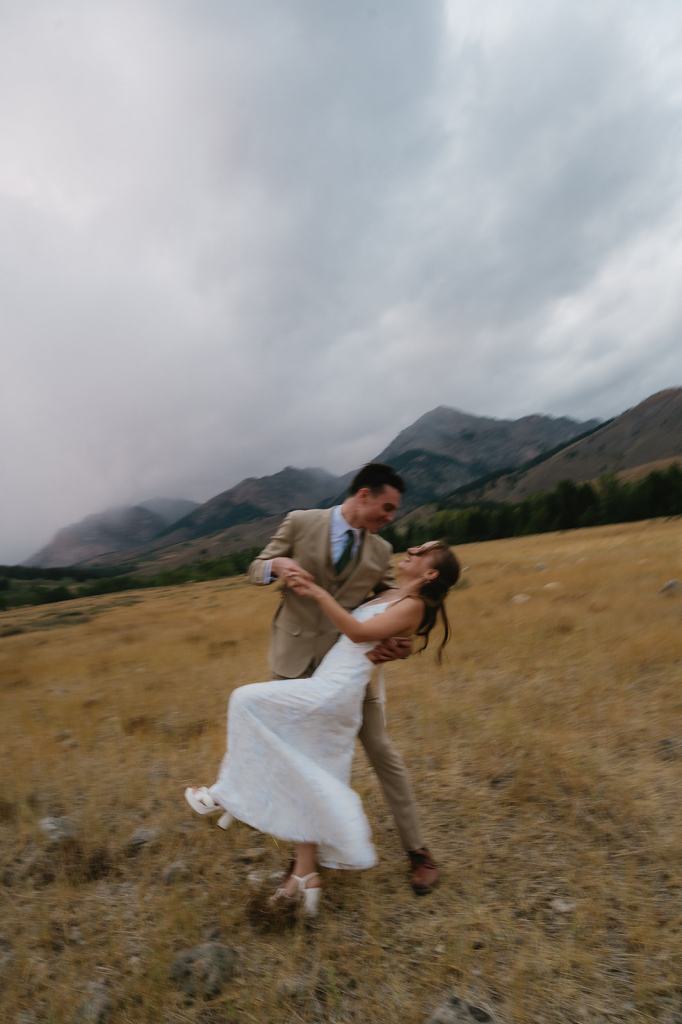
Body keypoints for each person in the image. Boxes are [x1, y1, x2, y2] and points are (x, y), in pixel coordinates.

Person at [185, 539, 460, 916]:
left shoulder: (395, 579)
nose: (409, 549)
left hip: (338, 689)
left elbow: (370, 630)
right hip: (321, 677)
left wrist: (318, 593)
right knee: (313, 771)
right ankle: (305, 876)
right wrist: (280, 567)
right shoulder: (377, 579)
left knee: (247, 702)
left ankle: (226, 795)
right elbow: (260, 567)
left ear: (430, 573)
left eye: (419, 553)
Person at [253, 461, 439, 894]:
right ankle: (303, 863)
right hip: (294, 662)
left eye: (394, 511)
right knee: (301, 761)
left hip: (353, 669)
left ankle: (417, 850)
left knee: (381, 752)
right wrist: (277, 566)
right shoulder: (300, 523)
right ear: (363, 495)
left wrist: (402, 643)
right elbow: (255, 567)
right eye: (387, 507)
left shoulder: (380, 550)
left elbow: (392, 603)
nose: (390, 517)